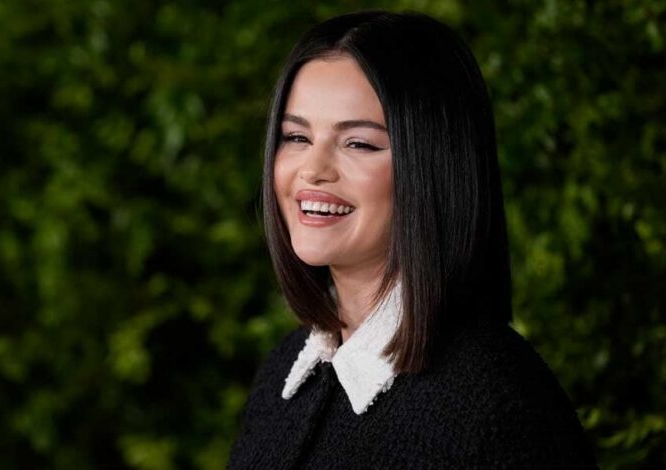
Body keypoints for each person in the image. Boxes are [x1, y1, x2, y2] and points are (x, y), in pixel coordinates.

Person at [228, 10, 597, 469]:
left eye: (358, 143)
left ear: (432, 165)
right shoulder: (283, 377)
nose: (313, 170)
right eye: (296, 136)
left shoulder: (495, 401)